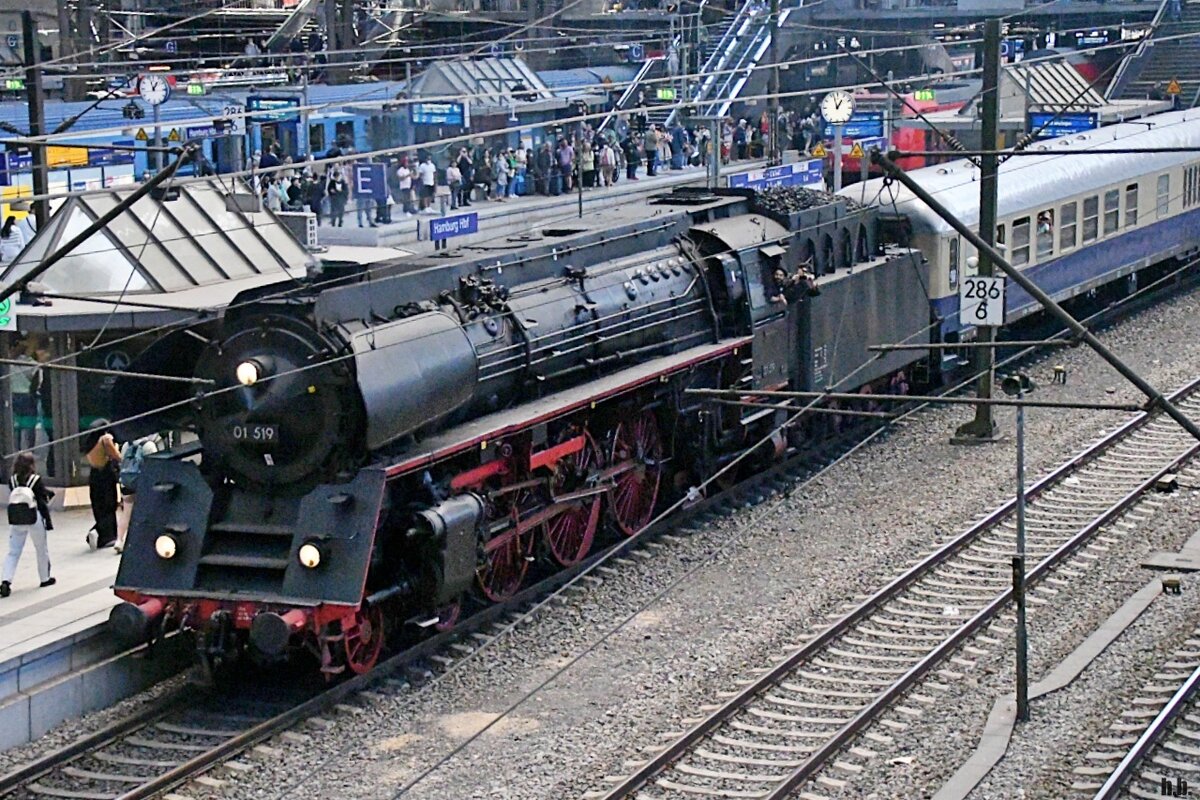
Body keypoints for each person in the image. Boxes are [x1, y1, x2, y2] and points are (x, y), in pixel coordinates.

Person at [2, 451, 54, 596]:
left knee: (13, 551)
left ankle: (6, 580)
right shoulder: (35, 479)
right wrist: (48, 522)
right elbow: (41, 500)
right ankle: (45, 578)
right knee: (41, 549)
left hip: (17, 518)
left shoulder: (12, 480)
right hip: (33, 516)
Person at [115, 434, 159, 554]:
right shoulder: (149, 446)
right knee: (146, 512)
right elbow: (153, 466)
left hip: (127, 482)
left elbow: (122, 461)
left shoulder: (126, 445)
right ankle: (142, 539)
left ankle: (119, 540)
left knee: (126, 512)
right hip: (142, 483)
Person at [83, 420, 121, 550]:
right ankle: (108, 536)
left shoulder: (89, 442)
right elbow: (116, 455)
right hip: (105, 473)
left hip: (94, 474)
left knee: (99, 506)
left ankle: (99, 532)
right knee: (109, 504)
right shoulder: (105, 439)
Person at [10, 347, 40, 450]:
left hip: (13, 395)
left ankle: (15, 449)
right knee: (30, 425)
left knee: (15, 425)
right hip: (28, 396)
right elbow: (38, 382)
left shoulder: (10, 364)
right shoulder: (34, 364)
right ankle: (30, 449)